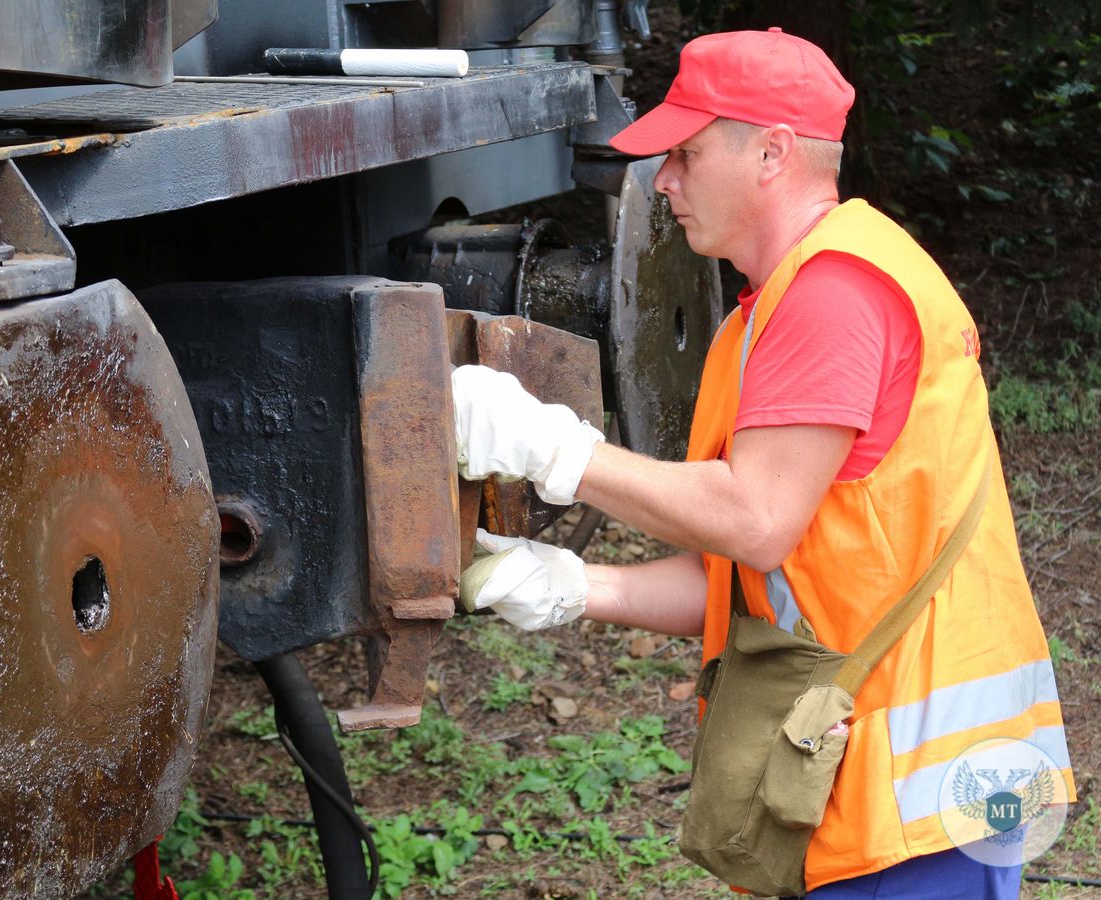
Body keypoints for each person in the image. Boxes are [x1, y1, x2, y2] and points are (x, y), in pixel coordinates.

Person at [453, 27, 1075, 899]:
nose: (664, 180)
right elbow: (772, 572)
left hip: (910, 806)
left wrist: (554, 451)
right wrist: (577, 588)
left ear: (773, 153)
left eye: (686, 152)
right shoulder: (791, 298)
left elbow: (753, 517)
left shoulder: (833, 295)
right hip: (909, 787)